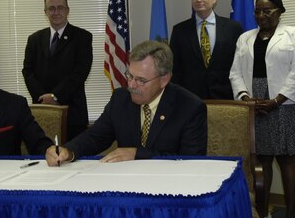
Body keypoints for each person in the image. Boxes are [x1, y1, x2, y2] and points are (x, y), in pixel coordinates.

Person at [45, 40, 207, 165]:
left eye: (141, 80)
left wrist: (138, 154)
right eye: (129, 76)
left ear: (164, 79)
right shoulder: (121, 98)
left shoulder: (190, 107)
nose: (131, 85)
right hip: (125, 185)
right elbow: (95, 137)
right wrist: (69, 151)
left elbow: (189, 160)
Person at [230, 0, 295, 218]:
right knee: (262, 161)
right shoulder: (245, 38)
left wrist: (277, 100)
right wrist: (245, 98)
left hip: (285, 103)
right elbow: (235, 72)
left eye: (267, 11)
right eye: (258, 11)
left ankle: (290, 217)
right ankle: (262, 212)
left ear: (280, 12)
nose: (261, 15)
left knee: (287, 160)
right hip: (256, 103)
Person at [22, 0, 93, 141]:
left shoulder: (83, 37)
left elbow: (81, 72)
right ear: (45, 12)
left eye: (60, 7)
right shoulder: (34, 39)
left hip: (73, 113)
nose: (56, 12)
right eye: (51, 8)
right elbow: (27, 71)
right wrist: (43, 97)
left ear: (67, 10)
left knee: (75, 158)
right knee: (43, 157)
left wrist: (55, 96)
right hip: (42, 111)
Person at [170, 0, 243, 100]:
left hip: (225, 97)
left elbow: (240, 64)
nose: (198, 0)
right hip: (190, 99)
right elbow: (175, 68)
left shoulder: (233, 28)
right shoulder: (179, 30)